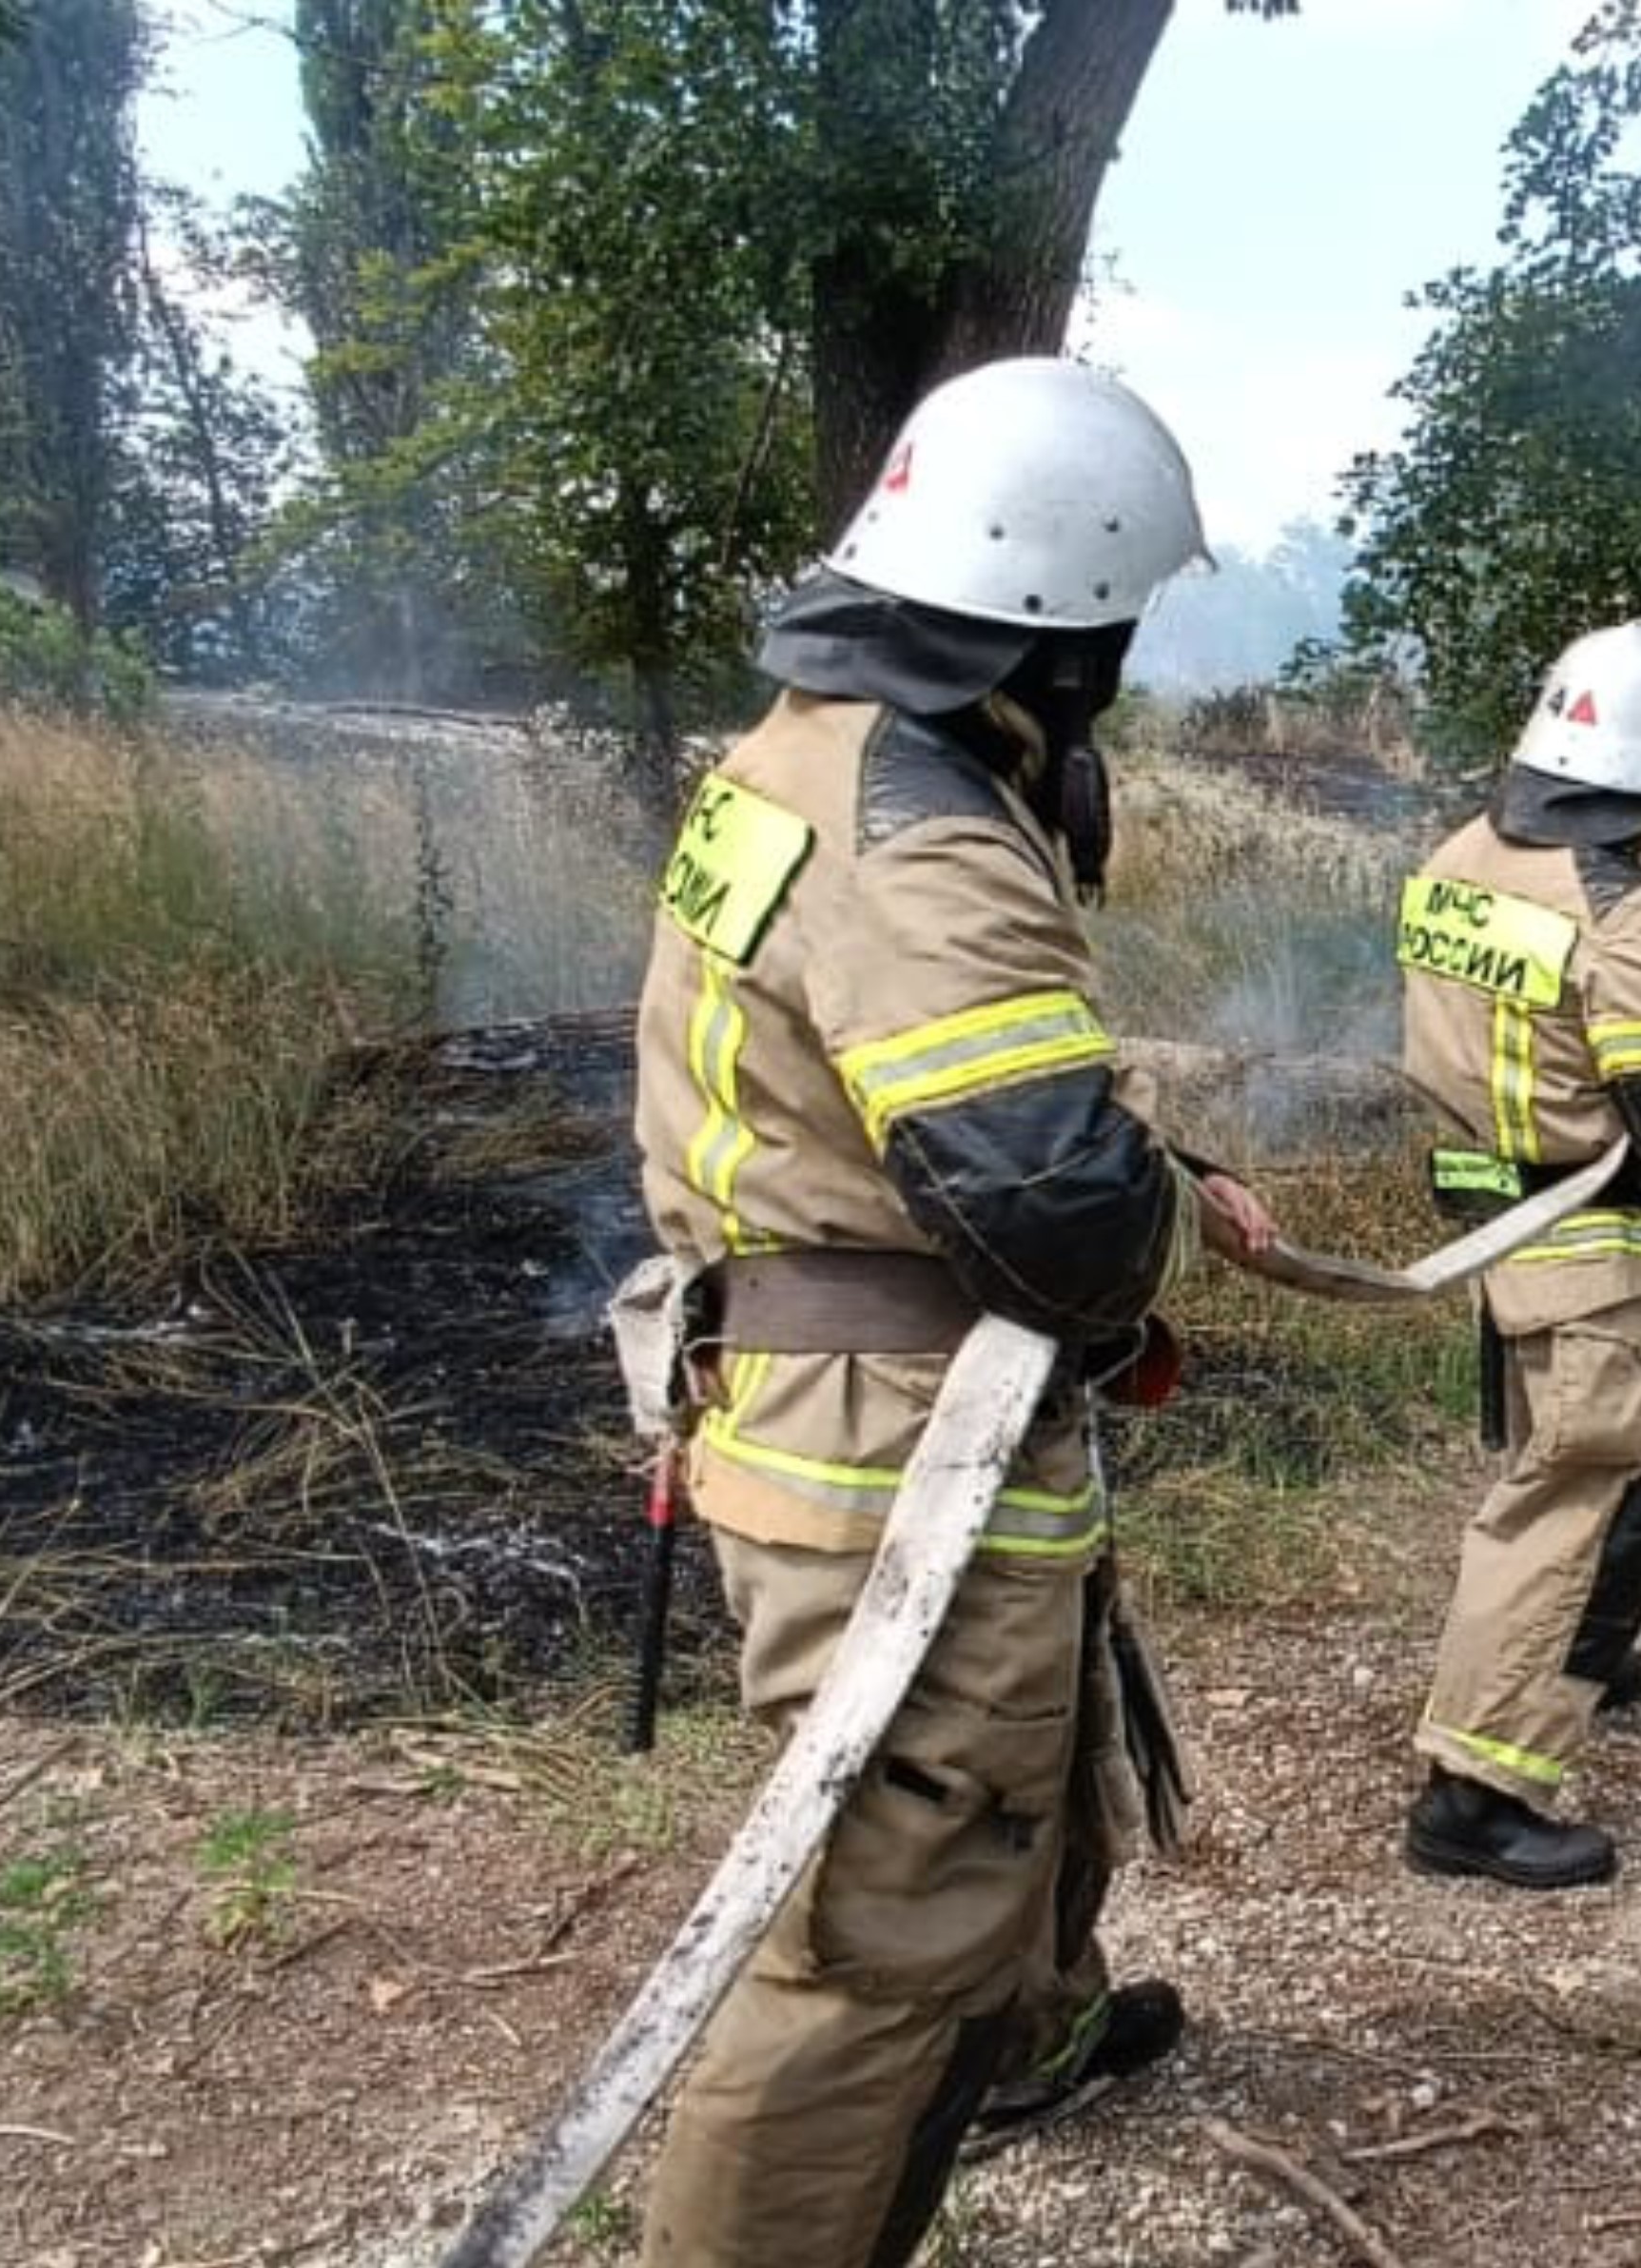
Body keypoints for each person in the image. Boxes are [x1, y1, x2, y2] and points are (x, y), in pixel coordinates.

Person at [625, 355, 1275, 2267]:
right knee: (882, 1932)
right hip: (895, 1438)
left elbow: (923, 1097)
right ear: (1064, 618)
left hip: (825, 1385)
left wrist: (1123, 1147)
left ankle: (1028, 2036)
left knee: (1016, 1775)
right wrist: (1141, 1189)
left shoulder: (793, 753)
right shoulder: (920, 821)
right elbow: (1057, 1213)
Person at [1387, 617, 1641, 1890]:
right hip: (1586, 1237)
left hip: (1491, 1211)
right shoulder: (1621, 903)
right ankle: (1477, 1794)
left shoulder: (1460, 857)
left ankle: (1584, 1654)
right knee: (1574, 1497)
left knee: (1591, 1466)